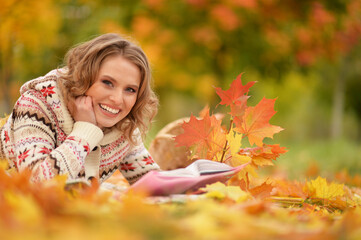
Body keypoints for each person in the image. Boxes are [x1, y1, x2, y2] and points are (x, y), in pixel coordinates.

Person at [0, 33, 160, 184]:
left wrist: (184, 176)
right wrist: (85, 132)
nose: (117, 99)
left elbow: (148, 179)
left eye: (130, 90)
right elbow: (35, 182)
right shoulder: (37, 105)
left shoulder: (124, 124)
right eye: (107, 83)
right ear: (83, 76)